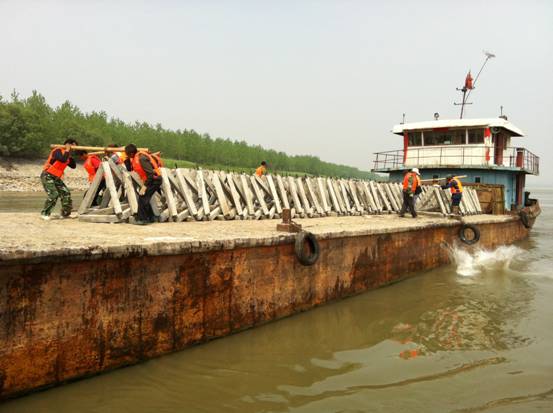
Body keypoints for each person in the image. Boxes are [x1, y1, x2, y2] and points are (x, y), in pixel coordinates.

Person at [40, 138, 78, 220]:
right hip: (48, 175)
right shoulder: (57, 150)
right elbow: (62, 159)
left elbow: (73, 166)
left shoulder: (67, 155)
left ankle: (65, 213)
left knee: (66, 193)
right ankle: (45, 213)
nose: (74, 149)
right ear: (68, 144)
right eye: (73, 146)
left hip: (56, 177)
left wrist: (70, 154)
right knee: (54, 194)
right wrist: (67, 150)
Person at [125, 143, 162, 225]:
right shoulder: (136, 158)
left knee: (143, 197)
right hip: (151, 180)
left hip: (154, 180)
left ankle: (142, 219)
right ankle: (150, 217)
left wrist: (145, 186)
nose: (127, 156)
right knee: (145, 197)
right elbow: (130, 169)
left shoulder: (142, 158)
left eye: (127, 154)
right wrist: (126, 161)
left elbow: (150, 174)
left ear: (131, 153)